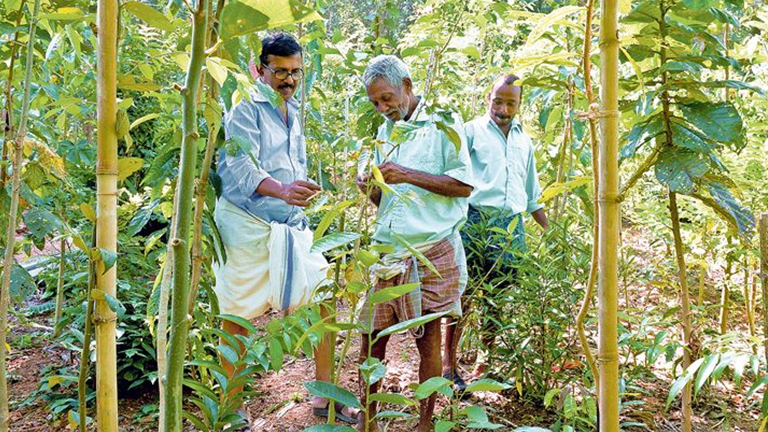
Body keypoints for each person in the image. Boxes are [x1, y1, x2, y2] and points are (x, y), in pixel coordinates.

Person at [213, 32, 357, 429]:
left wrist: (300, 191)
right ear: (260, 69)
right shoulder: (245, 107)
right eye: (279, 71)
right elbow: (239, 168)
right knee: (237, 314)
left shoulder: (294, 109)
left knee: (324, 294)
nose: (288, 80)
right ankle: (231, 405)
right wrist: (283, 189)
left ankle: (325, 394)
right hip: (246, 223)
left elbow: (294, 166)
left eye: (295, 72)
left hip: (289, 223)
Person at [355, 55, 473, 432]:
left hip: (431, 248)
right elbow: (385, 203)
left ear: (407, 84)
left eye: (388, 98)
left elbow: (463, 185)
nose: (383, 108)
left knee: (427, 338)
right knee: (370, 338)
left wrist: (405, 174)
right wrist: (372, 189)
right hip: (388, 249)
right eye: (375, 103)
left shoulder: (443, 122)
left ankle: (424, 422)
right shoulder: (384, 132)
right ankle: (369, 420)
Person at [441, 74, 549, 389]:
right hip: (476, 220)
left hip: (511, 227)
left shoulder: (524, 141)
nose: (502, 108)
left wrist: (550, 230)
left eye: (510, 103)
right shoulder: (472, 132)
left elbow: (531, 195)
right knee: (463, 295)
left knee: (497, 298)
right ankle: (449, 365)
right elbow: (454, 176)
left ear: (519, 105)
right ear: (488, 97)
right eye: (497, 101)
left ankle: (483, 363)